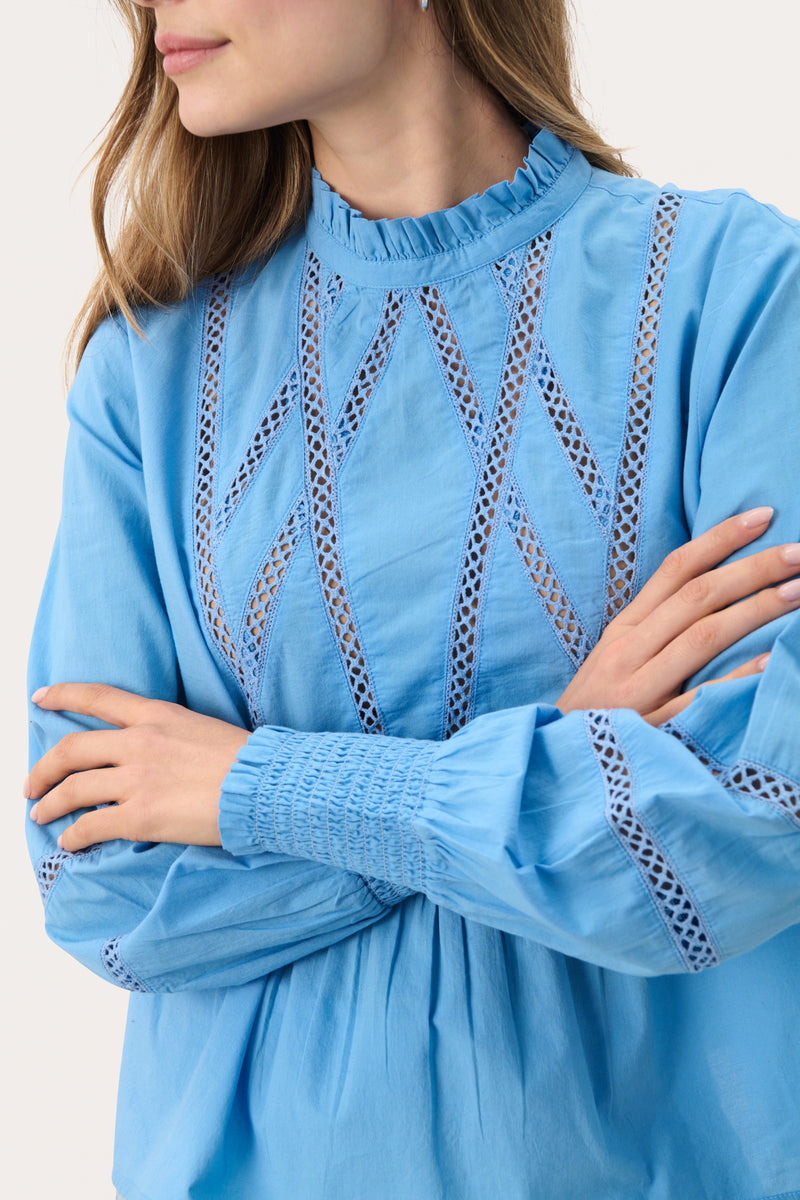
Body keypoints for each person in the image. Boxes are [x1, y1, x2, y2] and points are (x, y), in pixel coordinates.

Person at [24, 1, 800, 1197]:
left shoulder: (730, 293)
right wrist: (559, 750)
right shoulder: (149, 365)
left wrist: (250, 788)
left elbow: (752, 823)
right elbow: (104, 889)